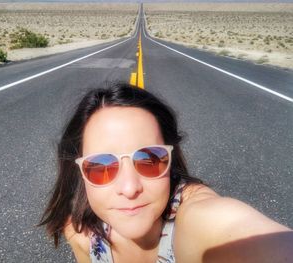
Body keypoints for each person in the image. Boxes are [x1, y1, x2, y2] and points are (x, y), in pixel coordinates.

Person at [38, 82, 292, 263]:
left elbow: (235, 229)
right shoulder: (80, 232)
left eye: (150, 160)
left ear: (170, 160)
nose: (129, 188)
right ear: (80, 170)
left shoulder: (196, 219)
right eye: (101, 166)